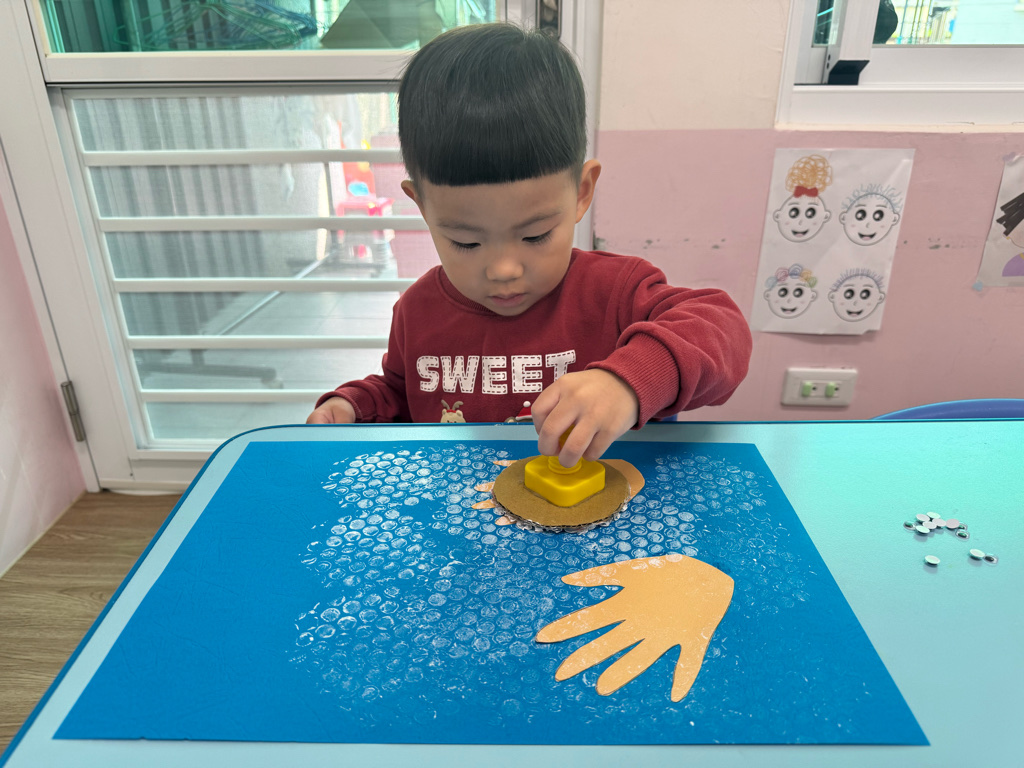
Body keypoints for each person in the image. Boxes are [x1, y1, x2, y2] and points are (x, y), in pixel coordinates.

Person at [307, 23, 752, 468]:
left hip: (599, 508)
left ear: (581, 192)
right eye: (466, 241)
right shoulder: (417, 311)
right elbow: (400, 394)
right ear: (422, 205)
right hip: (466, 505)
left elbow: (722, 329)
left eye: (535, 235)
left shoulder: (615, 293)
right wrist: (354, 406)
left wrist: (629, 381)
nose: (504, 269)